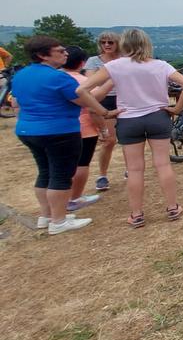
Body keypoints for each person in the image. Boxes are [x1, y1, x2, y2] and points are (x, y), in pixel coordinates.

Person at [77, 28, 183, 228]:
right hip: (158, 116)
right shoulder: (160, 65)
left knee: (135, 169)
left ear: (124, 45)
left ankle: (137, 214)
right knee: (163, 164)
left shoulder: (114, 66)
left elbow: (82, 90)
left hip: (129, 119)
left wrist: (104, 113)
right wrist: (178, 108)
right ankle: (172, 207)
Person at [12, 36, 121, 234]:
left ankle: (47, 216)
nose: (66, 54)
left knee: (45, 172)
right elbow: (85, 99)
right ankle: (59, 221)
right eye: (60, 51)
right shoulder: (58, 78)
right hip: (58, 130)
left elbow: (16, 102)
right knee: (61, 175)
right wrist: (105, 113)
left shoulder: (20, 75)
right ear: (42, 55)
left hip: (27, 130)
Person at [63, 46, 114, 212]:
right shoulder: (80, 81)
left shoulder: (55, 77)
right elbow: (93, 106)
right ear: (82, 63)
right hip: (83, 127)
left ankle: (56, 204)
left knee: (59, 166)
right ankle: (74, 198)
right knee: (81, 163)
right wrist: (104, 130)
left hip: (55, 128)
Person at [84, 30, 122, 192]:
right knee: (110, 140)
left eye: (110, 42)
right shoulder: (94, 61)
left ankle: (131, 169)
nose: (106, 45)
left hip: (124, 98)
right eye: (103, 42)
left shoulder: (124, 59)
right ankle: (102, 174)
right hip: (105, 100)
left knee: (130, 138)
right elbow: (91, 82)